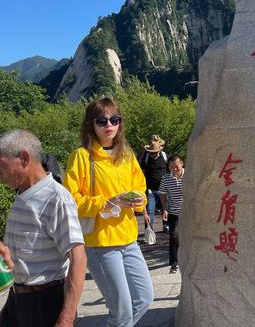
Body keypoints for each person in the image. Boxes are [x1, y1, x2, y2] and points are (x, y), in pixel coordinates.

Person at [64, 97, 154, 327]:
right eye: (102, 121)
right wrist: (105, 202)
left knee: (144, 298)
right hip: (101, 243)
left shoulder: (126, 154)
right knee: (121, 310)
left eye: (114, 119)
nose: (109, 126)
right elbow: (70, 200)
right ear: (90, 125)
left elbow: (140, 186)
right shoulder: (82, 157)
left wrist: (140, 200)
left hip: (129, 238)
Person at [0, 129, 86, 327]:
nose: (0, 173)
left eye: (1, 165)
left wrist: (66, 319)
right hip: (19, 300)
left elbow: (78, 259)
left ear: (23, 158)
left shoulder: (56, 199)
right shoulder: (23, 194)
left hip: (46, 304)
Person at [158, 155, 184, 273]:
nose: (174, 169)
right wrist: (165, 209)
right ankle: (174, 263)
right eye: (171, 167)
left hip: (189, 212)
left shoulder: (190, 176)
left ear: (182, 164)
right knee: (174, 236)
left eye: (176, 167)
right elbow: (162, 194)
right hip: (173, 211)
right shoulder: (166, 179)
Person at [139, 134, 169, 233]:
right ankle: (149, 230)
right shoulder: (146, 158)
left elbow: (169, 170)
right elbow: (140, 169)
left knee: (165, 209)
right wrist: (144, 152)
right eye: (152, 152)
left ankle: (166, 227)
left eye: (155, 152)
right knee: (150, 211)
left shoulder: (164, 156)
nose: (154, 153)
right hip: (151, 190)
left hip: (163, 190)